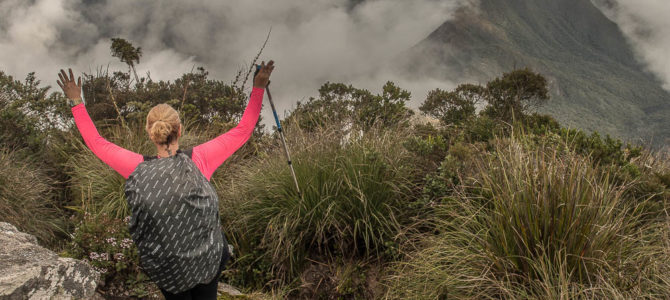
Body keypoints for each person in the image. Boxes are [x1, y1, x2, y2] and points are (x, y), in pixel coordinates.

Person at [57, 61, 274, 299]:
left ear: (149, 132)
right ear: (179, 130)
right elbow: (243, 130)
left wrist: (76, 102)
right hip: (207, 259)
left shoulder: (137, 169)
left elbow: (97, 143)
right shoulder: (200, 160)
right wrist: (259, 86)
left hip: (168, 269)